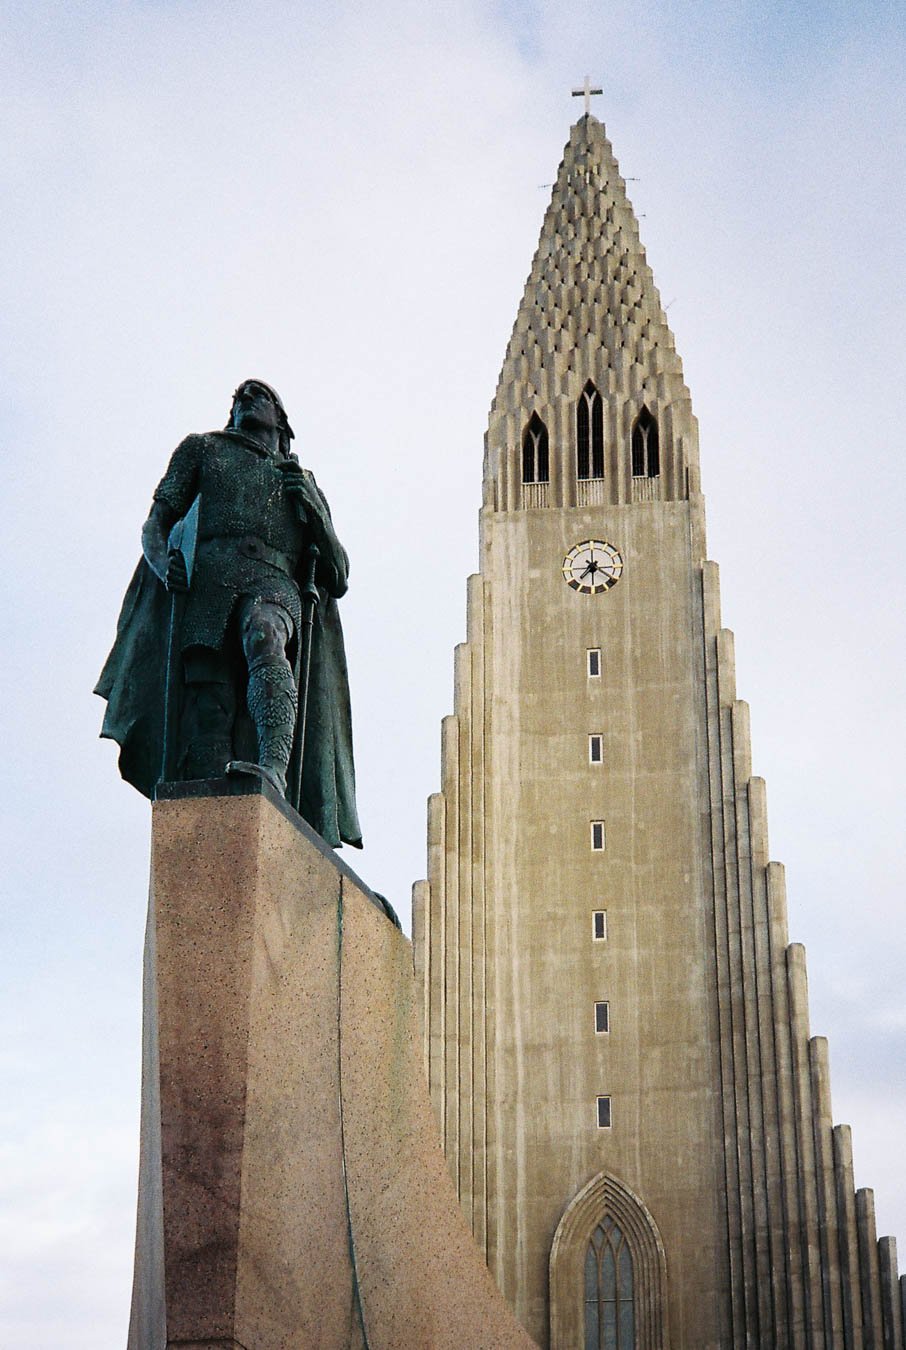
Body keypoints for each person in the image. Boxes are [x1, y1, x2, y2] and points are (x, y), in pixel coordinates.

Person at [95, 380, 362, 849]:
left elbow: (337, 574)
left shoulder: (300, 479)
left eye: (258, 394)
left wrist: (315, 512)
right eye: (239, 395)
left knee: (265, 637)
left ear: (282, 420)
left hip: (272, 583)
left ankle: (274, 769)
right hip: (209, 587)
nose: (244, 396)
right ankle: (209, 821)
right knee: (207, 705)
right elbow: (155, 523)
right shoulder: (201, 450)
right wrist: (163, 563)